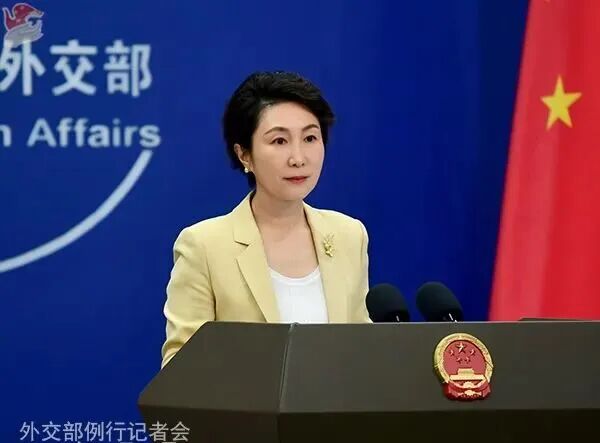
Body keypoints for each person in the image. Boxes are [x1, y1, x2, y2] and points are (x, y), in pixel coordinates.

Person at [161, 71, 371, 368]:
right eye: (279, 141)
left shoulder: (348, 235)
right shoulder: (204, 246)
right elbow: (180, 367)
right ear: (244, 154)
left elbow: (362, 350)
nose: (298, 158)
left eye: (310, 138)